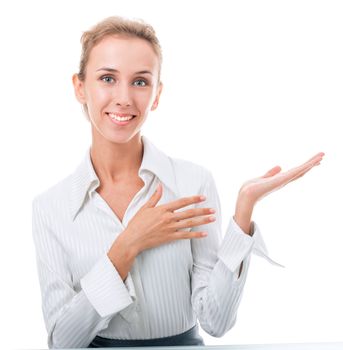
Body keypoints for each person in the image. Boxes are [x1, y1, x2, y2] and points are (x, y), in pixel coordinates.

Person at [32, 15, 325, 349]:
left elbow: (216, 320)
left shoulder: (193, 183)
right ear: (80, 87)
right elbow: (62, 342)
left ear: (156, 94)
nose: (124, 97)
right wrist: (126, 247)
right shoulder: (50, 208)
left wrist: (243, 212)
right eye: (108, 78)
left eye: (141, 82)